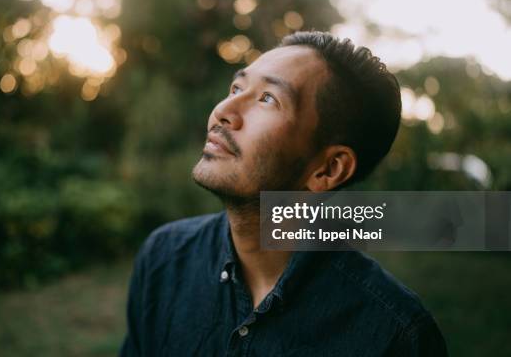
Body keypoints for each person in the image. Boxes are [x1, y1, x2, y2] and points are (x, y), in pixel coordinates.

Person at [120, 31, 448, 356]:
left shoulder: (395, 338)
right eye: (237, 87)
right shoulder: (165, 258)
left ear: (329, 169)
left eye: (267, 99)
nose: (223, 110)